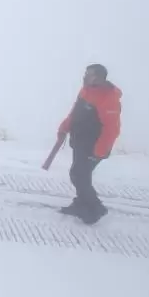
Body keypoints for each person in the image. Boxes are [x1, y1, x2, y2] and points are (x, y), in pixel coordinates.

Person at [58, 64, 122, 224]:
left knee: (79, 175)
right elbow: (75, 112)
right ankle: (81, 203)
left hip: (94, 146)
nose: (85, 76)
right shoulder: (86, 90)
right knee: (80, 175)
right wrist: (64, 127)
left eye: (89, 74)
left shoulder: (108, 98)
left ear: (99, 78)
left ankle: (96, 208)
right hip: (80, 141)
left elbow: (111, 129)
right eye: (85, 73)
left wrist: (99, 152)